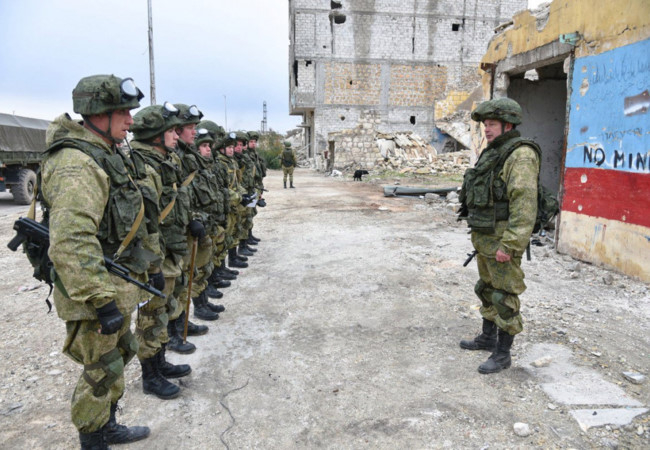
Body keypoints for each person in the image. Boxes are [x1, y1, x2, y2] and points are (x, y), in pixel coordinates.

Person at [40, 74, 151, 448]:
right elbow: (71, 240)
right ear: (97, 113)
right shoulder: (77, 163)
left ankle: (105, 425)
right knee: (99, 370)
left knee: (117, 358)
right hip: (94, 293)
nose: (131, 120)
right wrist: (101, 301)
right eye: (122, 112)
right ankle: (93, 439)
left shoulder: (105, 153)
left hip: (112, 284)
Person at [458, 98, 541, 374]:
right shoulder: (494, 152)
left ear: (508, 124)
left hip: (503, 242)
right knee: (486, 289)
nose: (487, 130)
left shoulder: (521, 155)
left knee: (504, 296)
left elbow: (524, 206)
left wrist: (511, 244)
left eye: (491, 124)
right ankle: (487, 337)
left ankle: (503, 354)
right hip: (486, 239)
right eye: (484, 125)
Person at [130, 103, 196, 400]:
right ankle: (149, 375)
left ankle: (158, 363)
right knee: (151, 313)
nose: (175, 134)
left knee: (161, 309)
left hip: (167, 250)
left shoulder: (161, 161)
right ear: (156, 135)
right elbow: (145, 223)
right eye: (169, 130)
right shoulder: (144, 166)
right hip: (154, 255)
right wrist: (153, 266)